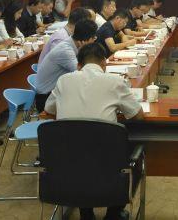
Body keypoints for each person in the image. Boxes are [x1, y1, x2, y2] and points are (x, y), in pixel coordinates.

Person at [45, 42, 143, 220]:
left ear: (78, 65)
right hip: (106, 162)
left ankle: (86, 213)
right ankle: (113, 214)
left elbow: (49, 110)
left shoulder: (63, 80)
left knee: (81, 152)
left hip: (67, 160)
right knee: (137, 155)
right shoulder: (115, 81)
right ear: (104, 63)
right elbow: (138, 115)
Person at [34, 19, 98, 111]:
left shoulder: (74, 44)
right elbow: (82, 73)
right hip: (46, 98)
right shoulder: (65, 50)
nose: (94, 41)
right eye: (93, 38)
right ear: (84, 40)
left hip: (55, 93)